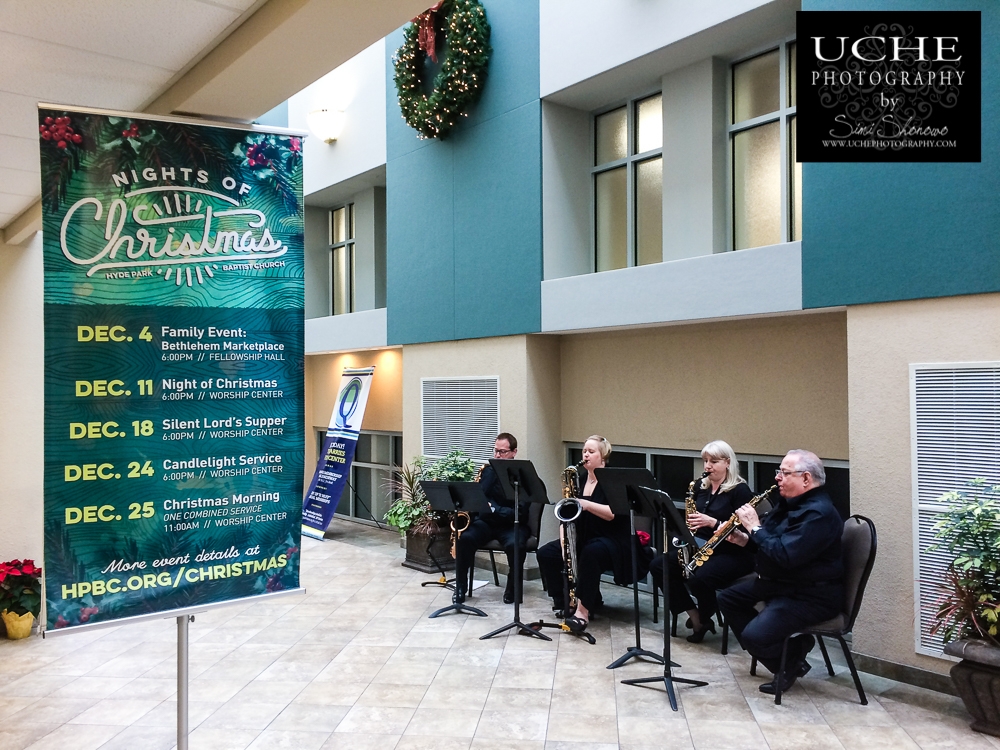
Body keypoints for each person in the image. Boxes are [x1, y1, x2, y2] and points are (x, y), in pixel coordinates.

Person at [717, 449, 844, 695]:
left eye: (785, 473)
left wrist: (754, 527)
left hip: (811, 594)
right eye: (779, 472)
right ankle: (788, 661)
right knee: (728, 599)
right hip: (783, 582)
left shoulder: (818, 514)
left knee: (754, 636)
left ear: (806, 479)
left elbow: (785, 555)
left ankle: (787, 658)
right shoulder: (789, 505)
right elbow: (770, 544)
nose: (777, 478)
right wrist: (744, 539)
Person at [536, 435, 649, 633]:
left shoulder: (612, 481)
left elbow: (613, 515)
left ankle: (583, 611)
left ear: (603, 457)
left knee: (590, 553)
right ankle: (564, 601)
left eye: (591, 451)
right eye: (584, 451)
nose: (586, 455)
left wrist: (586, 504)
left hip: (614, 539)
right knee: (546, 552)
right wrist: (564, 541)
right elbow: (567, 516)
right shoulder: (578, 480)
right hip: (585, 535)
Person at [649, 440, 756, 643]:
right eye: (705, 461)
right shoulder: (700, 486)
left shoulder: (740, 490)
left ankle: (707, 613)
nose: (707, 466)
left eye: (713, 461)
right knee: (659, 565)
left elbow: (744, 529)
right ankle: (696, 616)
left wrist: (713, 522)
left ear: (727, 462)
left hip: (733, 552)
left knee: (698, 576)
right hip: (703, 547)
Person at [453, 433, 528, 604]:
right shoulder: (488, 471)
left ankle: (513, 588)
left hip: (512, 525)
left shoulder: (523, 475)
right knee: (465, 539)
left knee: (516, 545)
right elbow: (479, 498)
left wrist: (494, 509)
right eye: (495, 451)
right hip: (487, 523)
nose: (497, 455)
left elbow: (521, 512)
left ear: (514, 452)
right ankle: (460, 587)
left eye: (502, 451)